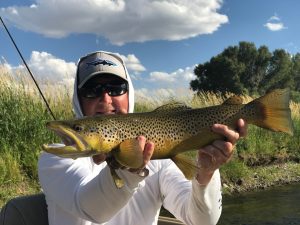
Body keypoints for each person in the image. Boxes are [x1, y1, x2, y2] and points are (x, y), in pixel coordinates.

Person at [38, 51, 247, 225]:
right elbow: (92, 210)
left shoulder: (159, 156)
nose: (105, 98)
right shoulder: (56, 158)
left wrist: (206, 173)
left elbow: (201, 221)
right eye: (92, 90)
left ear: (129, 93)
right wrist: (129, 167)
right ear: (78, 98)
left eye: (116, 88)